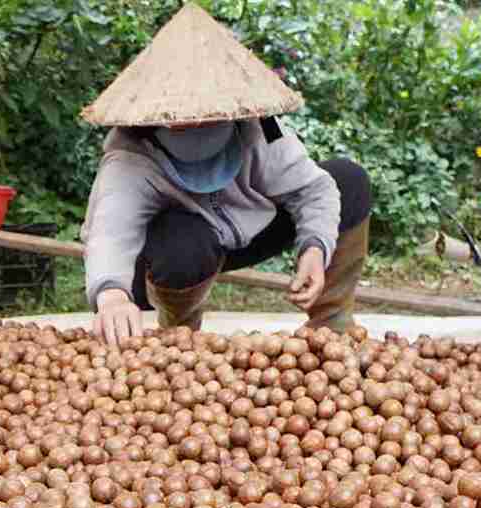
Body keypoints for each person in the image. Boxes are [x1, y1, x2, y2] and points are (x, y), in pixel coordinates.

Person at [80, 3, 373, 347]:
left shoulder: (259, 127)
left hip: (251, 229)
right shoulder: (131, 154)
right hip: (178, 255)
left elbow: (313, 190)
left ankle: (330, 325)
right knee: (180, 239)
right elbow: (110, 230)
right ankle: (179, 334)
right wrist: (111, 294)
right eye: (183, 122)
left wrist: (315, 248)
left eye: (209, 118)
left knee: (347, 179)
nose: (196, 126)